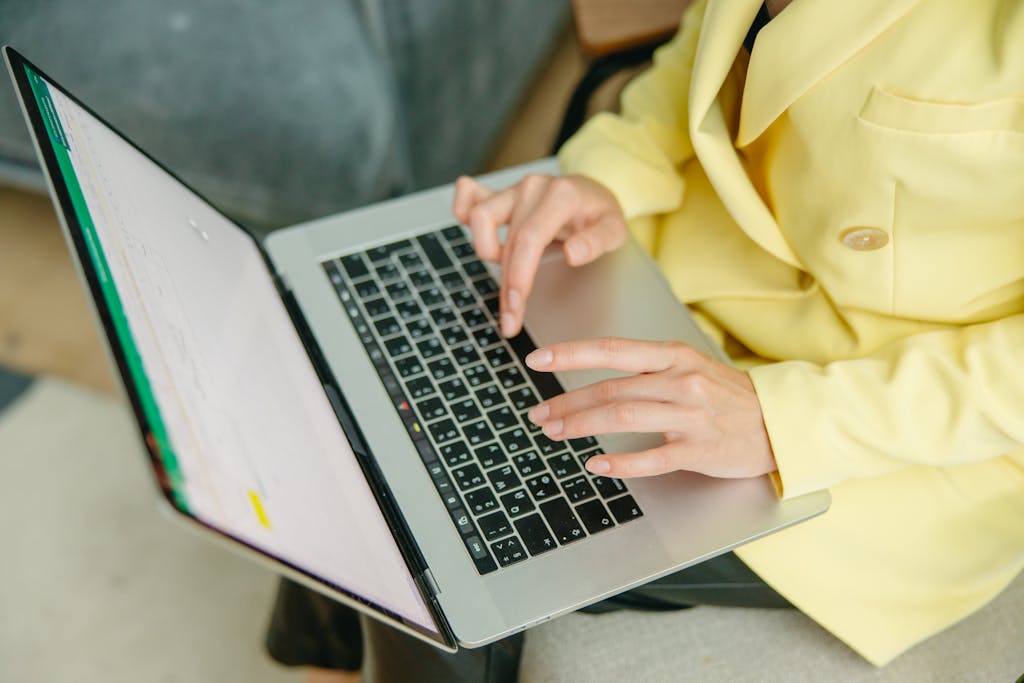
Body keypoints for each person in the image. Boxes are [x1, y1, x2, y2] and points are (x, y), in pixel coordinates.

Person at [271, 0, 1024, 679]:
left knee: (431, 528)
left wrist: (780, 419)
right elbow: (697, 63)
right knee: (358, 353)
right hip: (688, 275)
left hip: (894, 419)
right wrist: (604, 179)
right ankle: (330, 661)